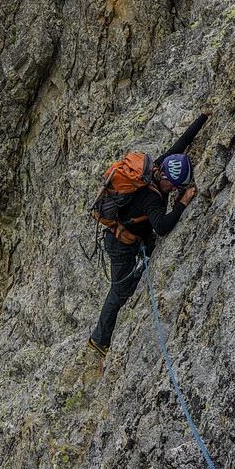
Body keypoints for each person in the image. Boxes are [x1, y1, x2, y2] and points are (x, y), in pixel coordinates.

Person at [87, 114, 208, 357]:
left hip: (135, 237)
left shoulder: (160, 166)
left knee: (137, 275)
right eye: (174, 187)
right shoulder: (152, 198)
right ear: (165, 178)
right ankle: (99, 340)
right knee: (119, 291)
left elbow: (180, 143)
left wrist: (203, 118)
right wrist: (182, 204)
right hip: (120, 243)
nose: (174, 191)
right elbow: (162, 226)